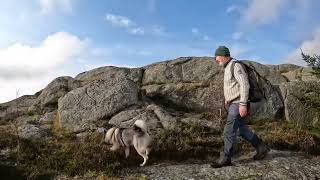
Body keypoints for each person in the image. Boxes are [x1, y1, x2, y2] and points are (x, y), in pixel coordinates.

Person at [211, 46, 270, 168]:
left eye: (217, 57)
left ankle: (226, 158)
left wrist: (243, 104)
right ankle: (261, 146)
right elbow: (234, 86)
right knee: (240, 129)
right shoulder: (227, 67)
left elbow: (244, 84)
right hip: (233, 103)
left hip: (239, 104)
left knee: (228, 130)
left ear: (224, 56)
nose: (216, 60)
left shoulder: (235, 65)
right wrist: (228, 99)